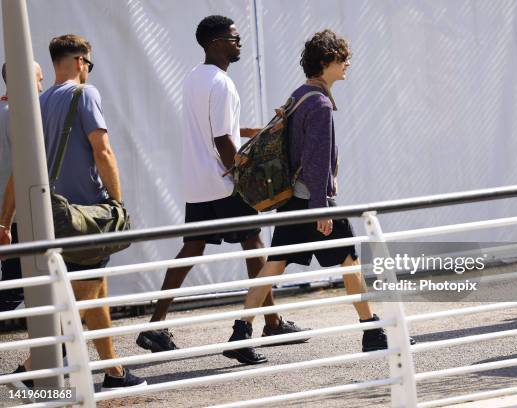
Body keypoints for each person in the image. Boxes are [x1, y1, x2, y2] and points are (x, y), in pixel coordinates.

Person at [223, 29, 406, 365]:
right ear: (326, 62)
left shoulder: (299, 95)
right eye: (342, 58)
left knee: (274, 265)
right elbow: (316, 161)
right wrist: (322, 210)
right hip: (314, 200)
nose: (347, 63)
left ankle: (240, 331)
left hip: (294, 199)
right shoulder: (319, 104)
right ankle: (371, 331)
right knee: (349, 261)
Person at [136, 15, 307, 356]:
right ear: (214, 43)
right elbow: (221, 141)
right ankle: (258, 327)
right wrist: (243, 176)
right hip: (226, 182)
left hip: (199, 183)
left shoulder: (194, 79)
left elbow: (221, 130)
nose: (238, 42)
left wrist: (255, 131)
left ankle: (155, 326)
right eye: (233, 38)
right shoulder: (223, 83)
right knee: (255, 246)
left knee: (193, 249)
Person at [0, 34, 145, 390]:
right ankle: (30, 372)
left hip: (52, 216)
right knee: (85, 294)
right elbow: (103, 150)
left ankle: (113, 371)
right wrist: (118, 205)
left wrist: (5, 219)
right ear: (81, 61)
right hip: (87, 216)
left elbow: (22, 169)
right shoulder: (85, 94)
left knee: (96, 291)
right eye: (89, 65)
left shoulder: (39, 101)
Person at [0, 62, 43, 312]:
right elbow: (22, 169)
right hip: (17, 217)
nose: (40, 87)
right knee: (15, 288)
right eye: (38, 80)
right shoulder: (23, 118)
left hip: (9, 218)